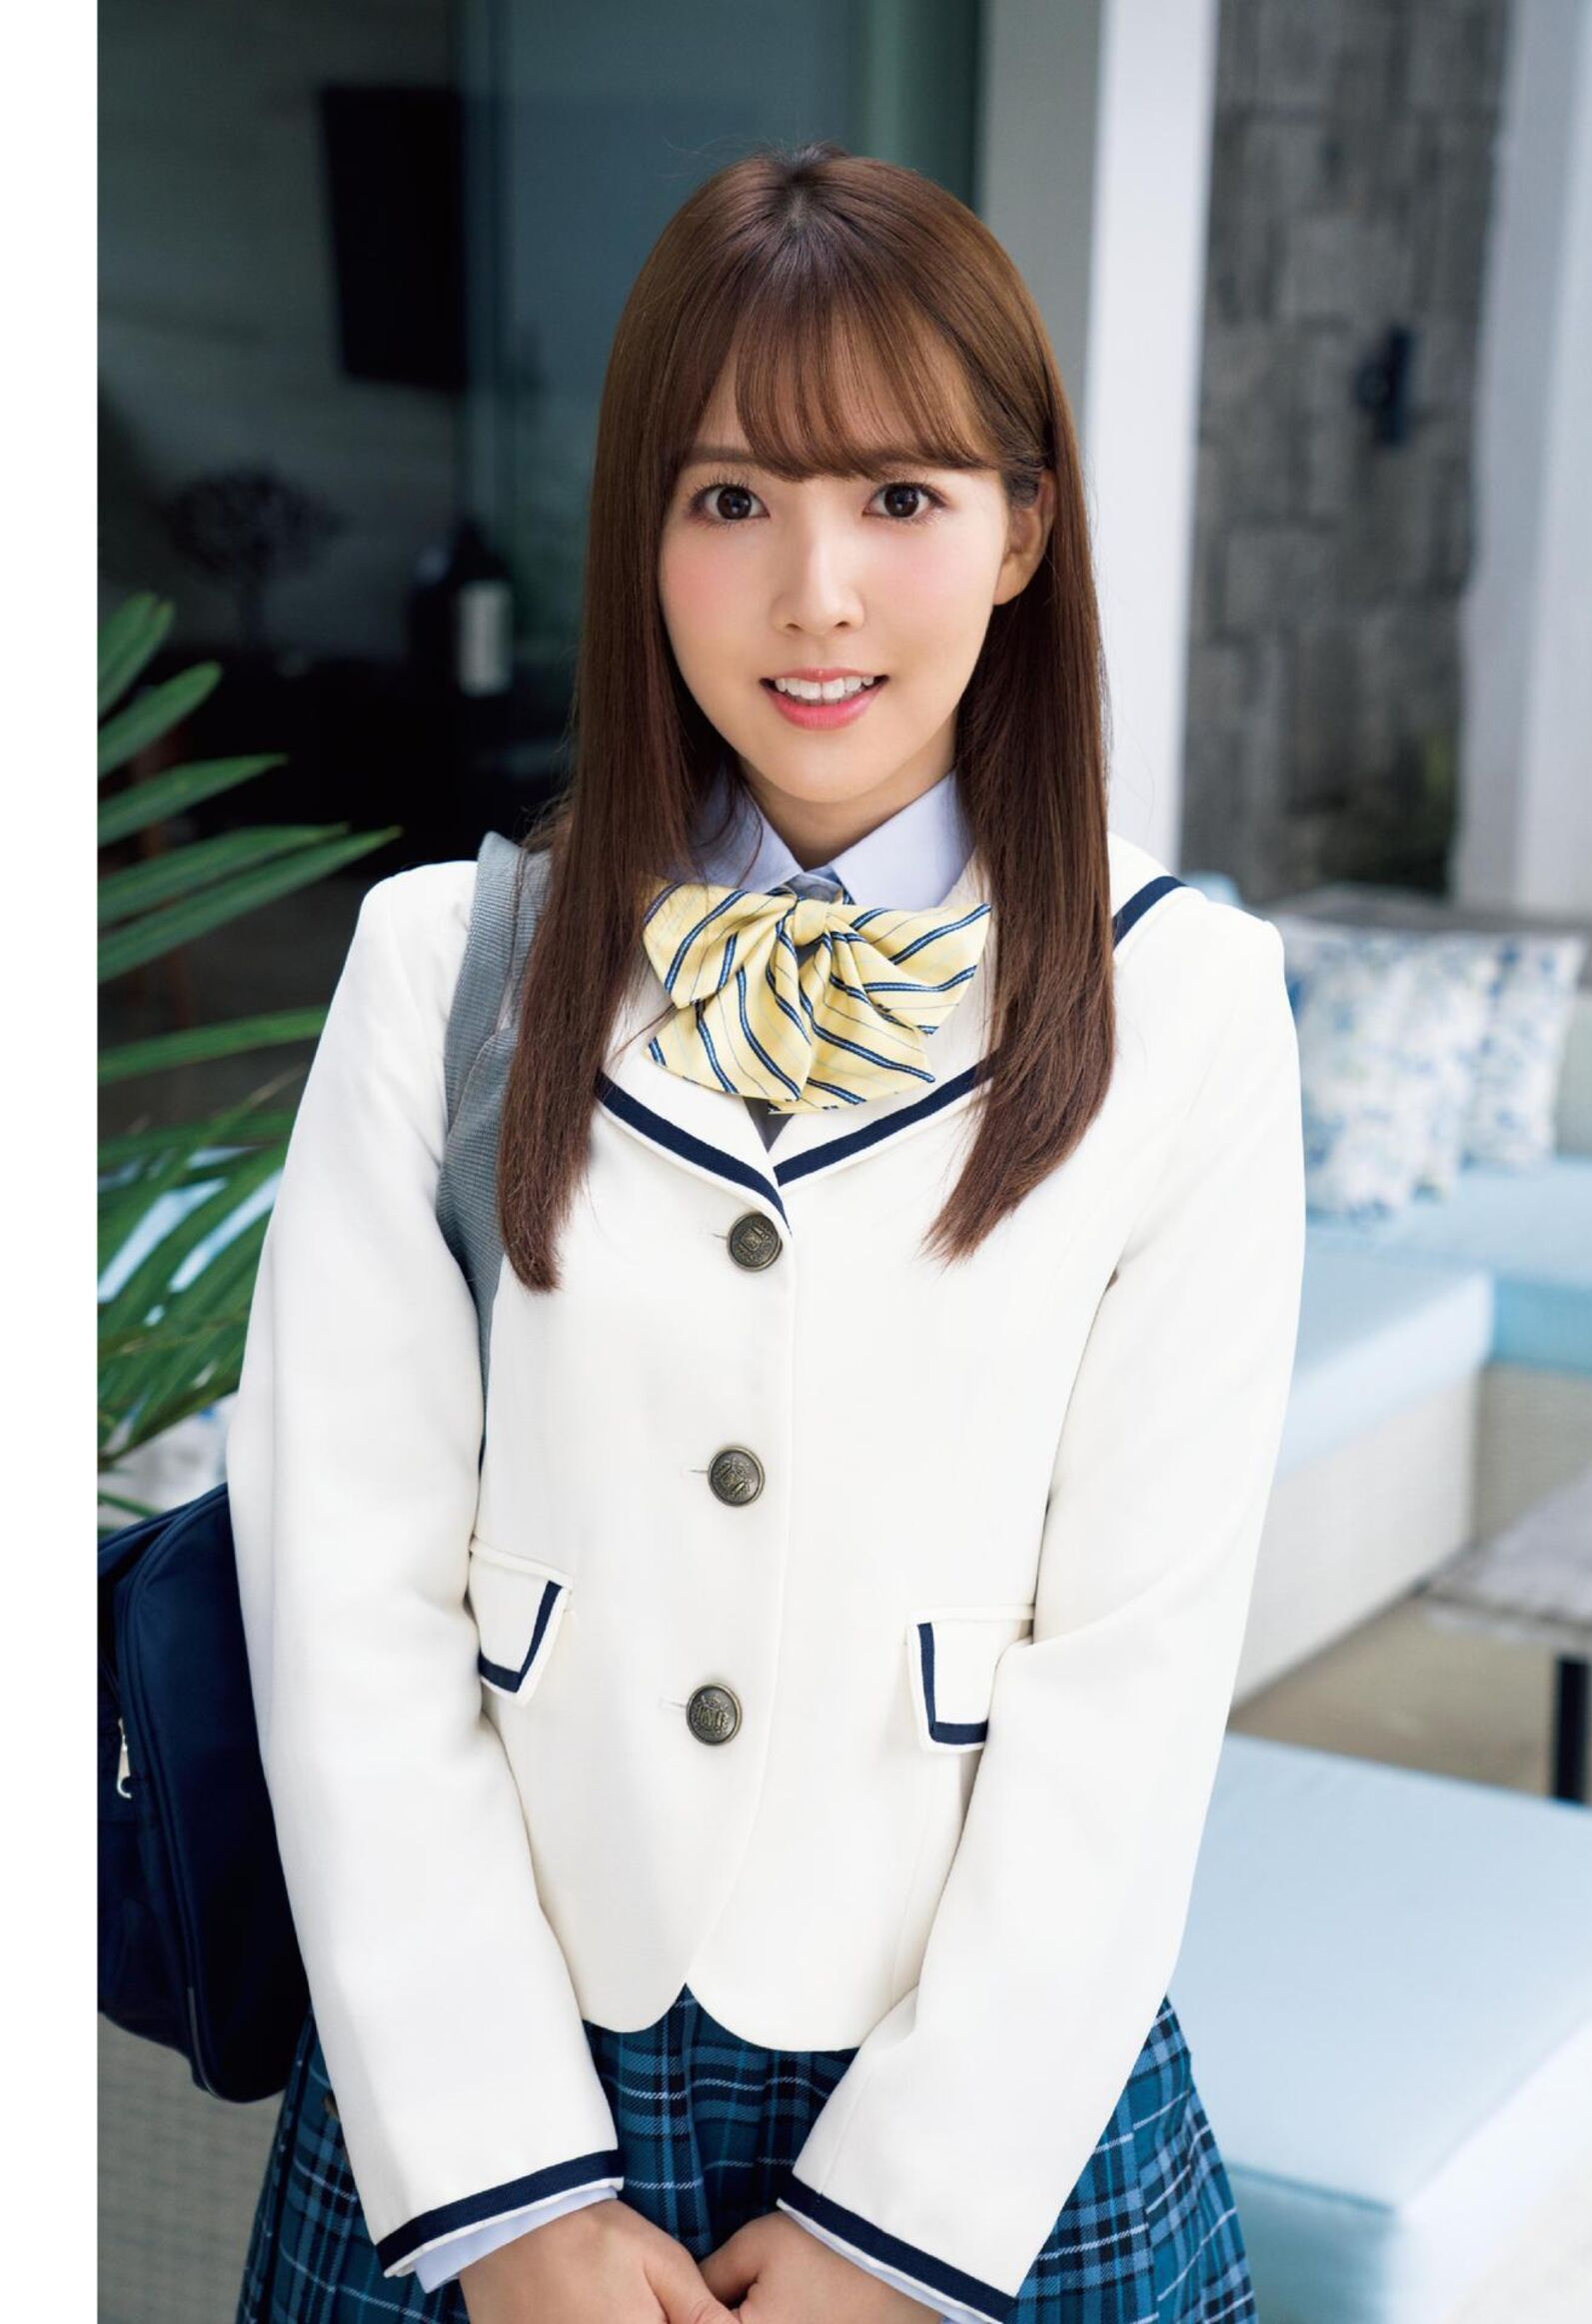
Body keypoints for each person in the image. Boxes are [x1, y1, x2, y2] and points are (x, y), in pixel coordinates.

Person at [229, 140, 1303, 2324]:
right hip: (485, 2085)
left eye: (900, 495)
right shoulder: (444, 965)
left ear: (1024, 526)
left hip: (978, 2123)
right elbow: (342, 1588)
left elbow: (1136, 1667)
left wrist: (902, 2235)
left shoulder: (1184, 1005)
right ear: (641, 537)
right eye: (730, 498)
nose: (816, 593)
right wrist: (509, 2201)